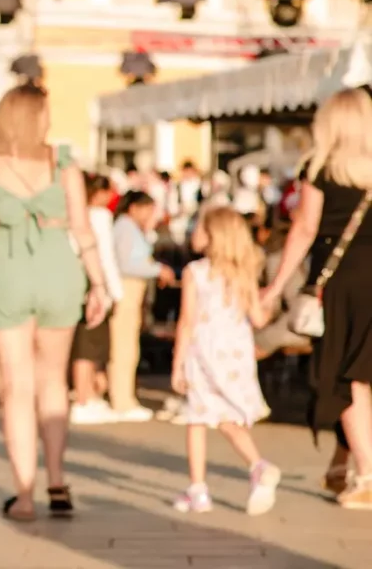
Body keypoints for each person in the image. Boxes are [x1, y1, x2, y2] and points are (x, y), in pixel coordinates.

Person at [0, 83, 110, 522]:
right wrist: (99, 286)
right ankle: (57, 482)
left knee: (16, 389)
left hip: (8, 273)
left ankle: (24, 495)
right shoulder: (63, 166)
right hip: (60, 271)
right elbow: (83, 231)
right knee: (53, 383)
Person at [264, 88, 372, 509]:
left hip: (342, 283)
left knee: (346, 377)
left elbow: (304, 230)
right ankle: (355, 466)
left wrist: (275, 287)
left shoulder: (320, 167)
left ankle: (366, 472)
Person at [172, 207, 279, 515]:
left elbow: (186, 321)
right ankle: (258, 465)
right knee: (227, 417)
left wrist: (178, 363)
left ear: (212, 236)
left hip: (203, 352)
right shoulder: (243, 273)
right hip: (236, 354)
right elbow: (259, 319)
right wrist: (269, 300)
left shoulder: (195, 272)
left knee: (197, 418)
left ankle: (198, 489)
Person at [110, 191, 174, 421]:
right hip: (126, 289)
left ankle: (126, 396)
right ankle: (121, 398)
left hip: (134, 291)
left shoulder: (131, 228)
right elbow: (126, 263)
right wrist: (157, 270)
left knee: (128, 346)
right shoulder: (125, 228)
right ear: (134, 207)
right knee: (123, 347)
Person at [70, 174, 124, 425]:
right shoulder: (100, 216)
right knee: (89, 346)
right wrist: (114, 290)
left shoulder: (70, 211)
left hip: (73, 283)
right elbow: (105, 254)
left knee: (83, 344)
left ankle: (86, 395)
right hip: (94, 284)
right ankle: (84, 398)